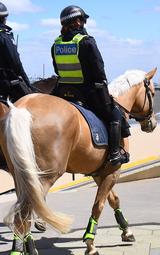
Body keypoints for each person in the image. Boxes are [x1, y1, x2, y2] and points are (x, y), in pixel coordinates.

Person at [50, 5, 129, 165]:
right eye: (82, 20)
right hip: (86, 91)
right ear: (78, 22)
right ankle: (114, 154)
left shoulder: (56, 44)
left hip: (62, 90)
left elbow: (57, 69)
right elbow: (99, 71)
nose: (83, 23)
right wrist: (105, 90)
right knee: (115, 114)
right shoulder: (86, 42)